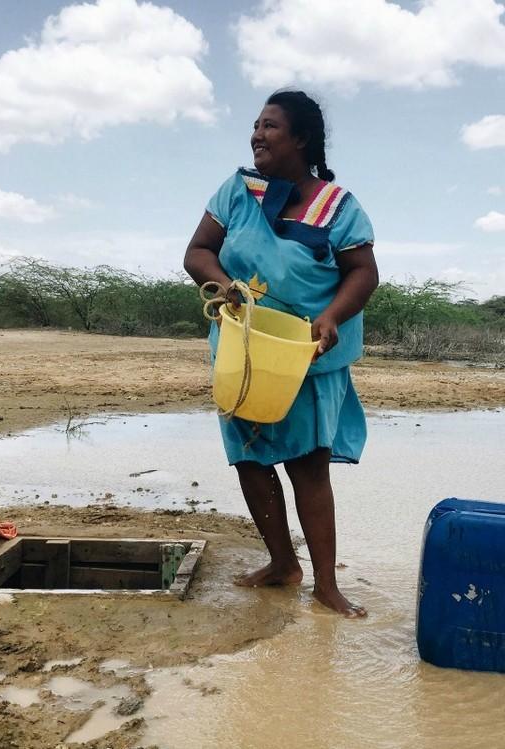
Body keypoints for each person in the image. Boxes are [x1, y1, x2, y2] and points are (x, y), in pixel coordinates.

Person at [184, 90, 378, 618]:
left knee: (309, 467)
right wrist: (222, 285)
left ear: (301, 139)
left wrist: (333, 316)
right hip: (243, 351)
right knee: (249, 459)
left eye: (270, 126)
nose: (257, 135)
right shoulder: (238, 191)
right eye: (256, 124)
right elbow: (197, 251)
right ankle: (280, 564)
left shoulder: (338, 207)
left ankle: (325, 585)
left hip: (309, 354)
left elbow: (363, 273)